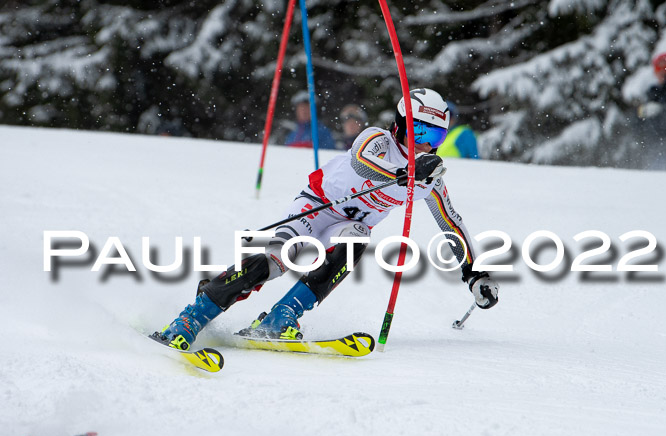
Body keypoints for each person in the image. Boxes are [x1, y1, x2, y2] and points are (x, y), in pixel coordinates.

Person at [153, 88, 499, 350]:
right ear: (401, 125)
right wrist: (408, 172)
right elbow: (365, 164)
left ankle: (280, 317)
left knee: (356, 238)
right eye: (420, 133)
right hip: (315, 208)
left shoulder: (430, 180)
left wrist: (474, 273)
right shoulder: (376, 140)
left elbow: (450, 223)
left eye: (436, 137)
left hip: (343, 225)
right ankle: (190, 318)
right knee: (275, 259)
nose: (427, 145)